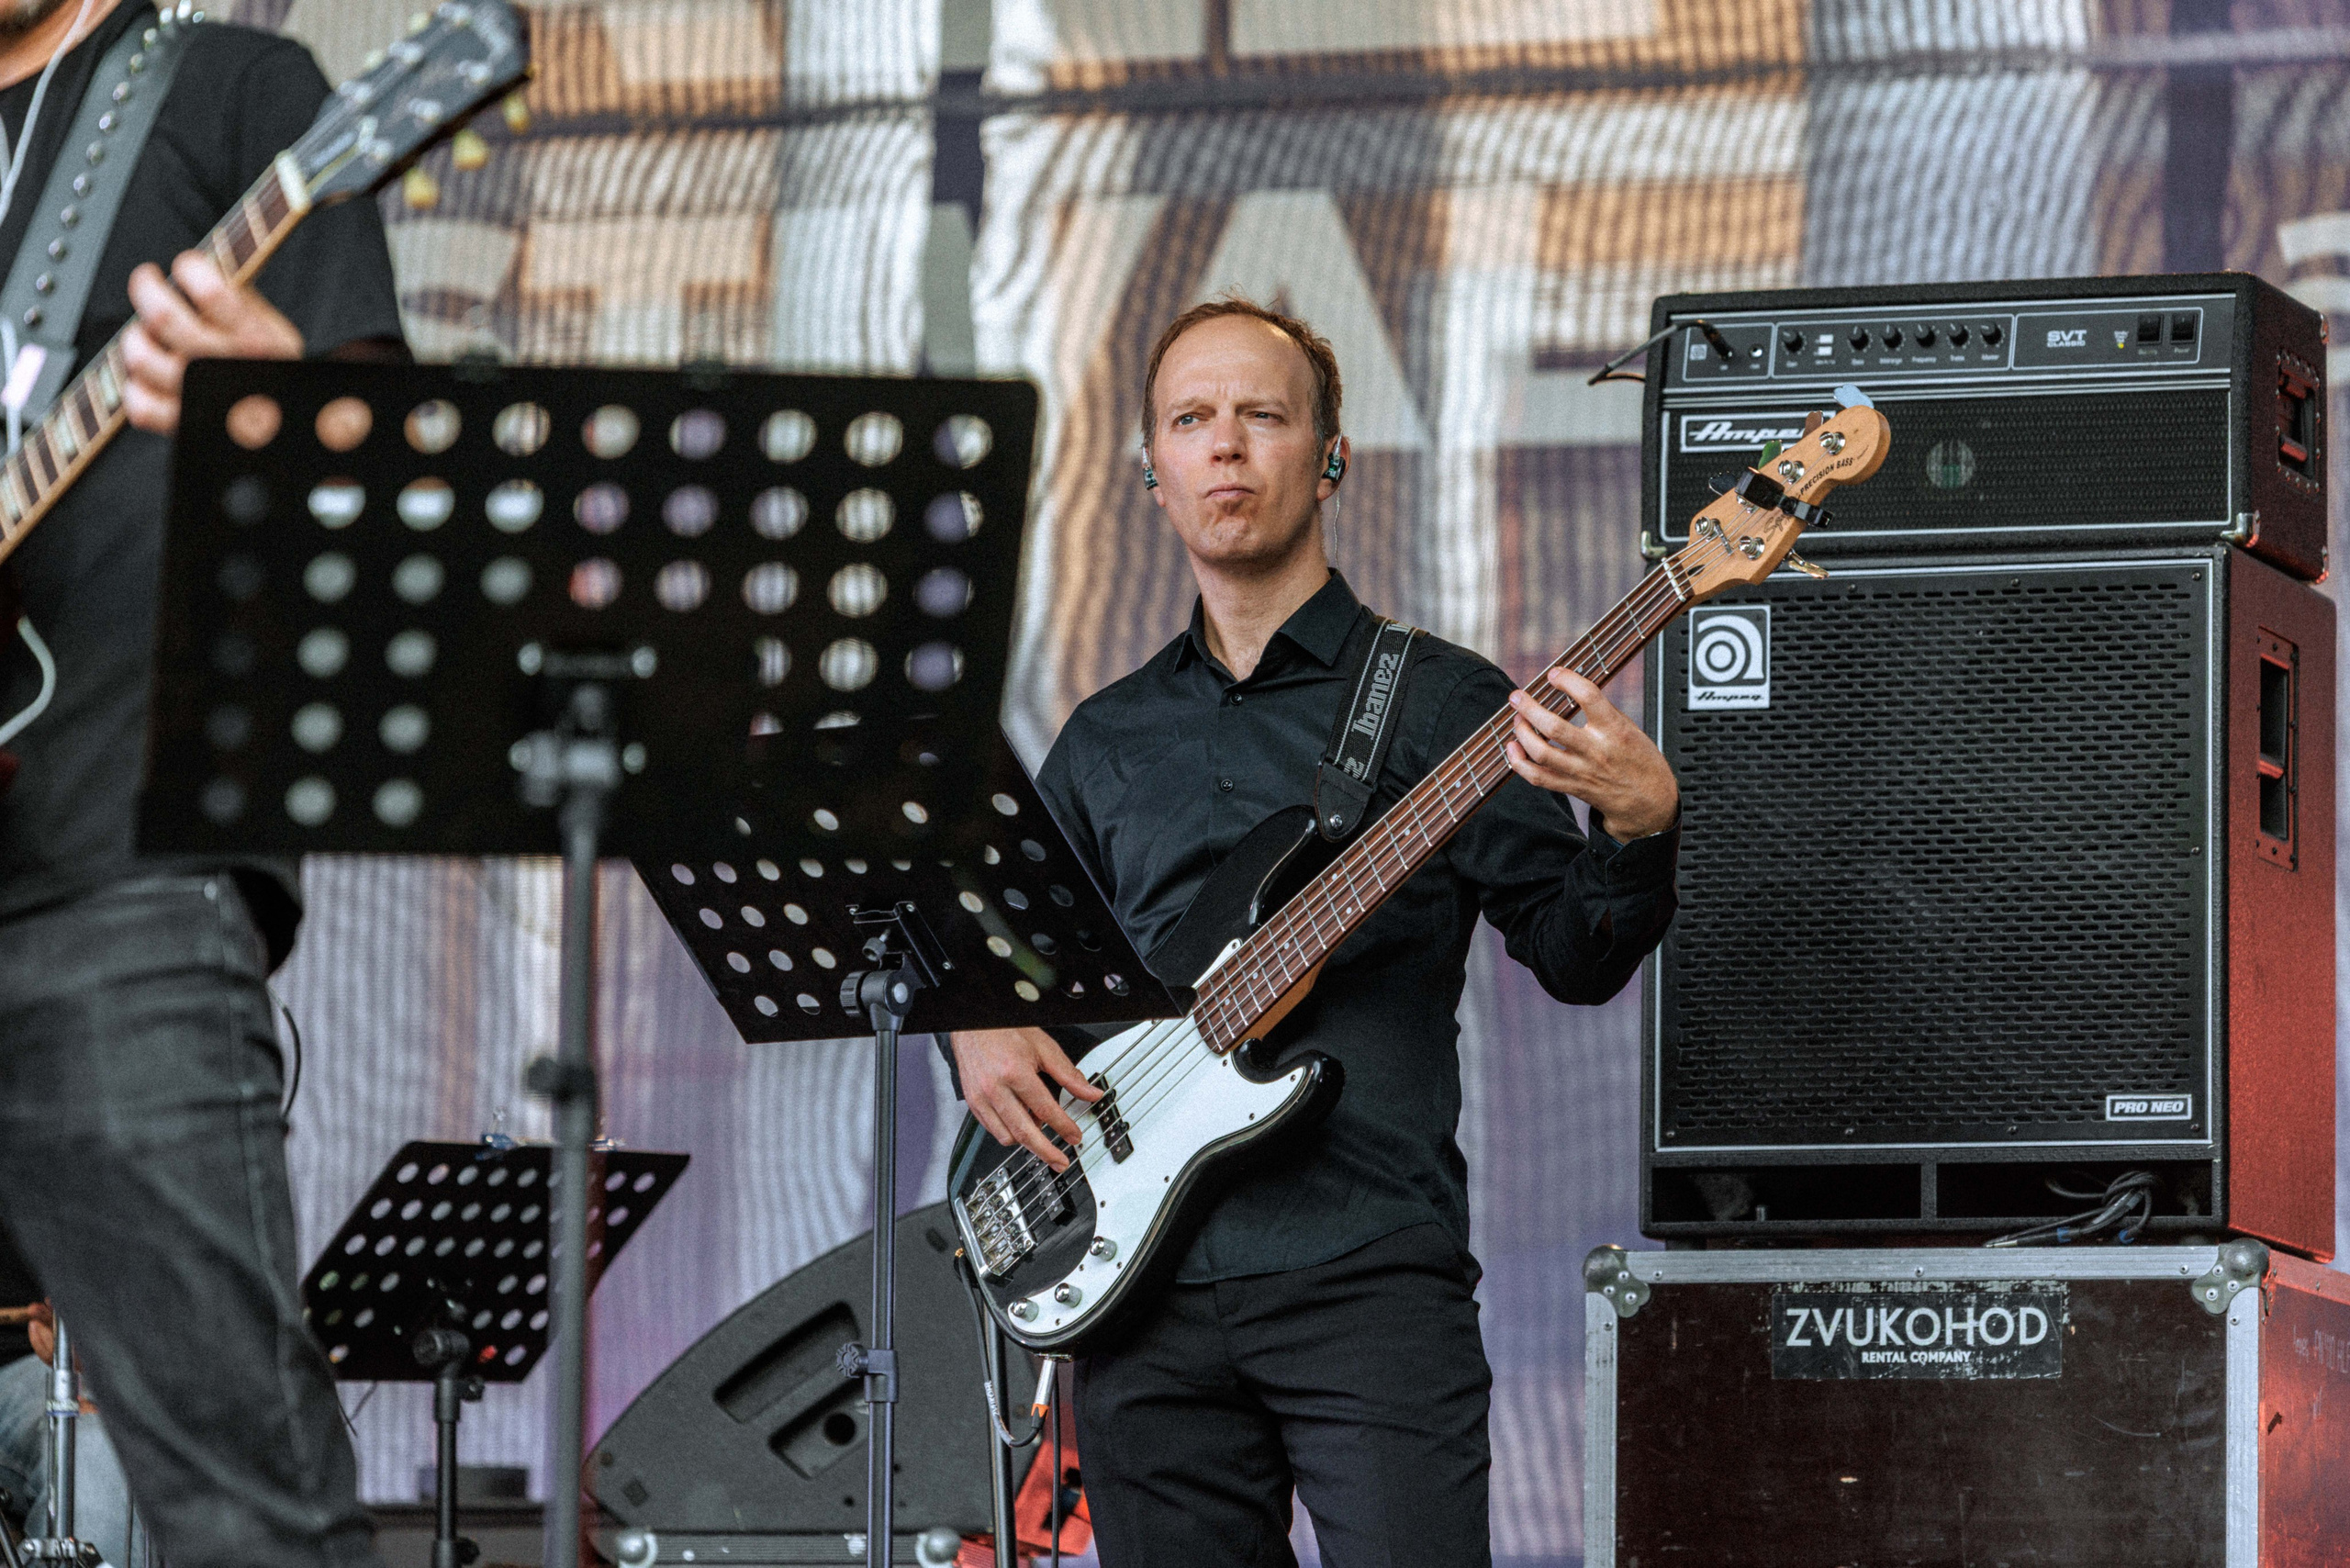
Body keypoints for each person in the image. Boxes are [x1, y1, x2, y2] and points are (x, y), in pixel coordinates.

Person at [948, 298, 1682, 1566]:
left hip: (1366, 1276)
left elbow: (1577, 955)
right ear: (1154, 475)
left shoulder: (1444, 703)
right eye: (1191, 421)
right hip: (1138, 1298)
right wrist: (974, 1022)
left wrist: (1639, 825)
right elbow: (1012, 967)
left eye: (1262, 416)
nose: (1225, 445)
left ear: (1329, 457)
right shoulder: (1104, 742)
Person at [0, 0, 406, 1563]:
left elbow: (386, 499)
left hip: (119, 878)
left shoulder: (231, 91)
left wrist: (284, 406)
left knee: (241, 1505)